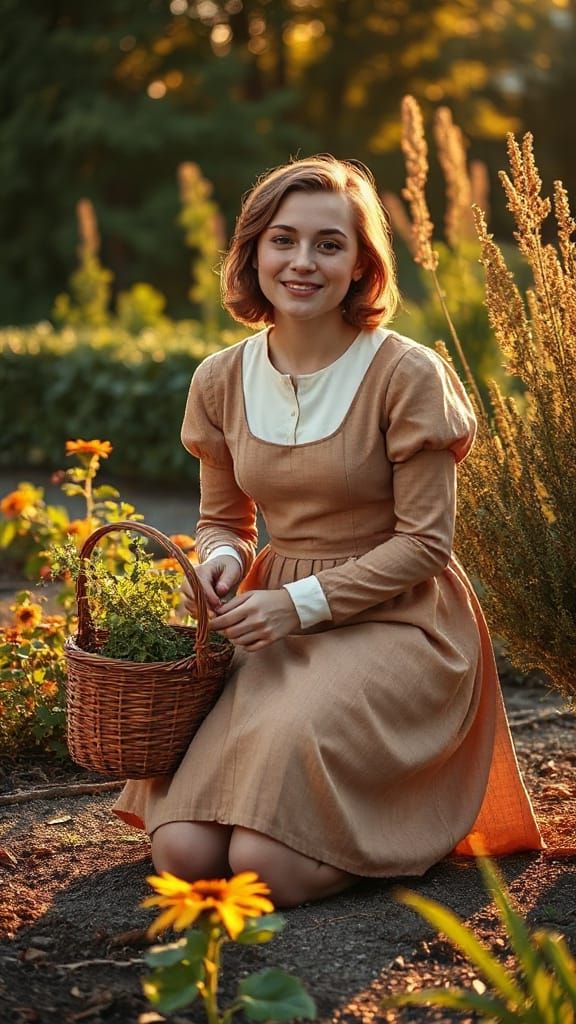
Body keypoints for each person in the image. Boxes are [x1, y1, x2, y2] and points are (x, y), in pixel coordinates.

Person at [113, 155, 542, 906]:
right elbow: (223, 520)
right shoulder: (220, 378)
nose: (302, 262)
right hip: (273, 616)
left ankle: (393, 826)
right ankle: (304, 822)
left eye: (328, 244)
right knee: (183, 854)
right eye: (283, 240)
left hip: (401, 618)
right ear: (253, 253)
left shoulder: (407, 374)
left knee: (263, 867)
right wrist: (221, 559)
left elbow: (426, 544)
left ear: (361, 266)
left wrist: (299, 604)